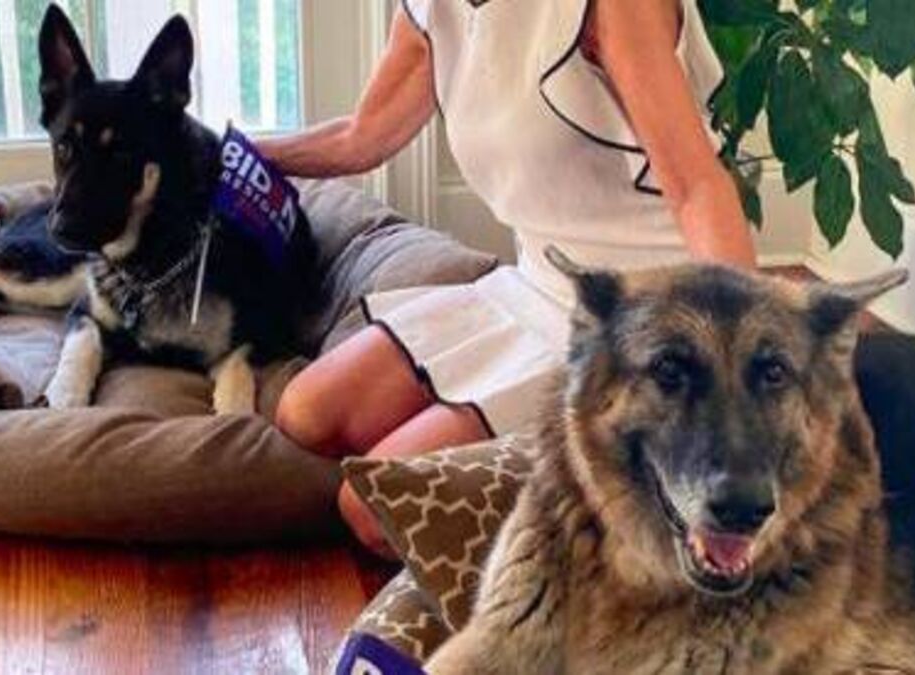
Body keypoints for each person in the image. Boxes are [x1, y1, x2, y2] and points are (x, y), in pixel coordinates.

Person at [257, 0, 756, 555]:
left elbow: (697, 186)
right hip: (536, 283)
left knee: (371, 508)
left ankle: (631, 494)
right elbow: (360, 137)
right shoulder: (431, 9)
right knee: (305, 414)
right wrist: (241, 152)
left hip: (639, 311)